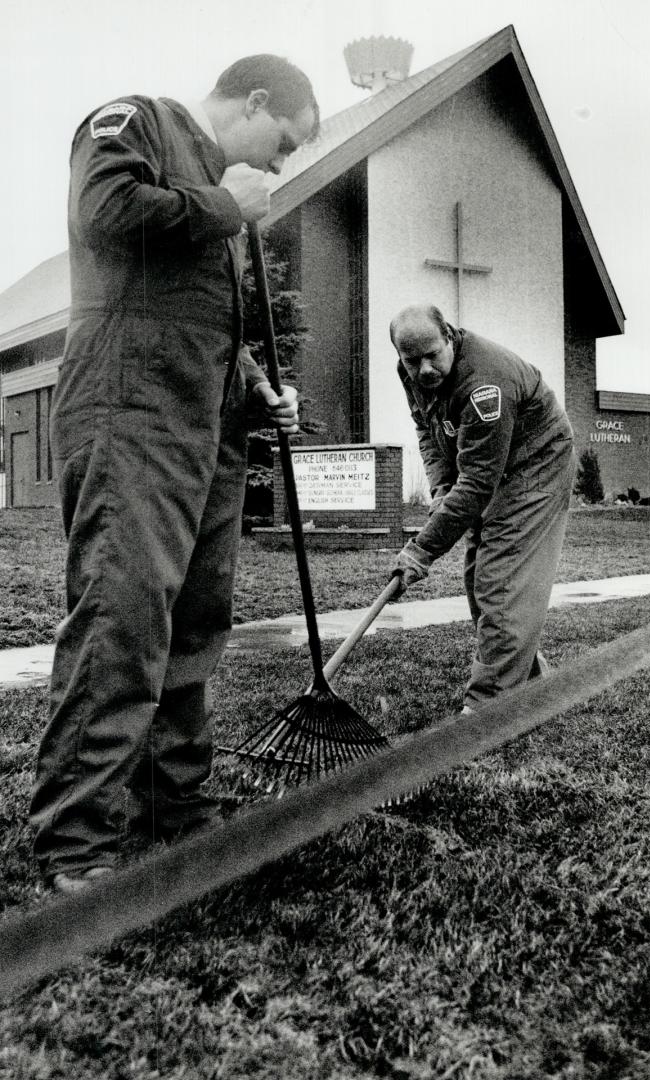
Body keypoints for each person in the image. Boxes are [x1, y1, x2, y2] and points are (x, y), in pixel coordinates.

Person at [30, 55, 320, 893]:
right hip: (131, 417)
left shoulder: (225, 194)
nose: (277, 164)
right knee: (124, 615)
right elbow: (106, 213)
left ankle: (175, 806)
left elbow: (199, 322)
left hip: (208, 431)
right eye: (283, 142)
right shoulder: (135, 121)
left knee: (198, 620)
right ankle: (78, 840)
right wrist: (230, 205)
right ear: (256, 100)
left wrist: (257, 387)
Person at [389, 304, 576, 712]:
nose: (422, 370)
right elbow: (428, 428)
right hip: (490, 465)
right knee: (478, 579)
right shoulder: (412, 372)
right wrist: (441, 488)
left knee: (502, 582)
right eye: (411, 360)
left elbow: (475, 484)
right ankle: (528, 683)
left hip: (535, 464)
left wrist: (421, 550)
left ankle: (487, 707)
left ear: (450, 337)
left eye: (432, 356)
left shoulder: (484, 384)